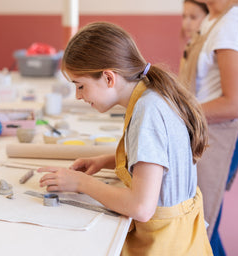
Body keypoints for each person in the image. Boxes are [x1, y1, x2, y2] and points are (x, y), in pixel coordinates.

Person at [37, 22, 213, 255]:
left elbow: (140, 207)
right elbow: (160, 159)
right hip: (179, 237)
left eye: (80, 86)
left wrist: (81, 183)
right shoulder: (151, 94)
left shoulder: (147, 110)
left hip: (166, 244)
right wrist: (106, 160)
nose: (78, 96)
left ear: (109, 78)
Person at [179, 0, 238, 255]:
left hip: (216, 138)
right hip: (201, 132)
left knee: (202, 229)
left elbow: (235, 105)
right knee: (203, 227)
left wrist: (176, 112)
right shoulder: (212, 19)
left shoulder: (235, 22)